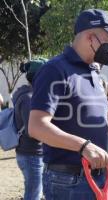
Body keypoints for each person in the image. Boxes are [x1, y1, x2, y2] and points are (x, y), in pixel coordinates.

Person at [28, 9, 108, 199]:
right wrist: (84, 147)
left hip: (96, 177)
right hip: (68, 182)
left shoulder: (94, 72)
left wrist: (105, 170)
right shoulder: (54, 70)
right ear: (90, 37)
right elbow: (36, 126)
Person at [13, 59, 47, 200]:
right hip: (31, 155)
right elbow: (32, 130)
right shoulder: (29, 98)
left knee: (35, 193)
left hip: (32, 154)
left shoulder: (31, 95)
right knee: (33, 195)